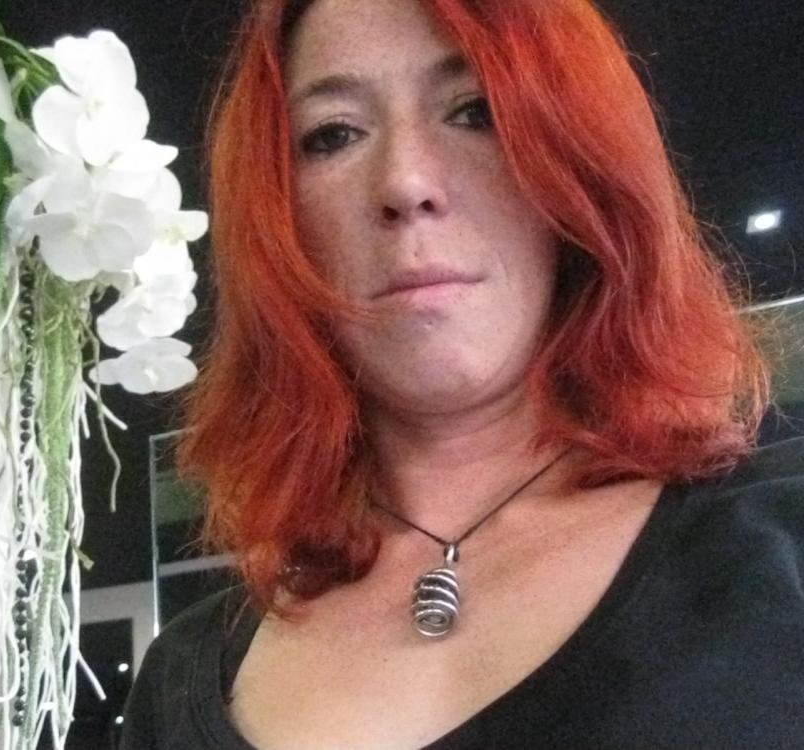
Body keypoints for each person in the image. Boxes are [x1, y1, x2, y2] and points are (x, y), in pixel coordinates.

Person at [121, 0, 804, 748]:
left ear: (581, 165)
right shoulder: (181, 679)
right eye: (334, 134)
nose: (406, 182)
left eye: (475, 111)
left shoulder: (779, 549)